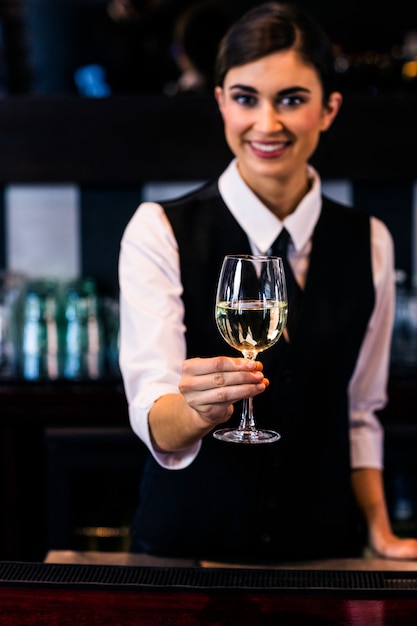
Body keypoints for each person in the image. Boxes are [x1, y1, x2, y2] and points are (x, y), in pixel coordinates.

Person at [118, 1, 417, 562]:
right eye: (245, 98)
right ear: (220, 103)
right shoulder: (159, 229)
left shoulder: (370, 239)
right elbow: (153, 409)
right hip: (185, 557)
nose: (267, 124)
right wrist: (199, 411)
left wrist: (379, 527)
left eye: (292, 100)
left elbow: (359, 410)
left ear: (328, 109)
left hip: (324, 555)